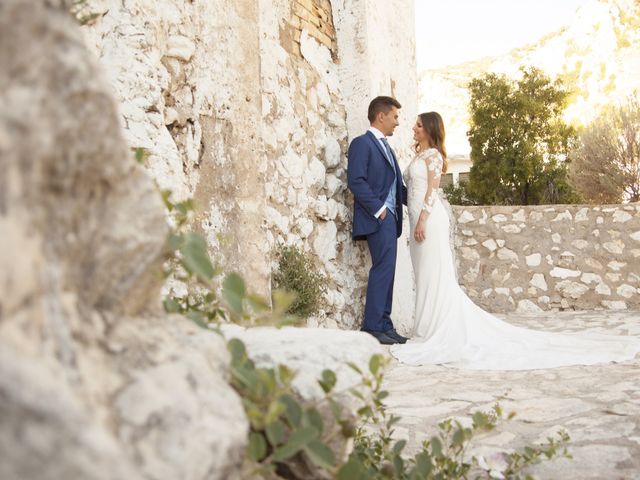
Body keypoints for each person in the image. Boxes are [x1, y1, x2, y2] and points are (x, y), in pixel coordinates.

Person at [390, 111, 640, 369]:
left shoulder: (433, 156)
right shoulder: (418, 155)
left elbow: (432, 192)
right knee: (423, 274)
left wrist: (421, 220)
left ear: (430, 129)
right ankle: (427, 327)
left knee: (434, 274)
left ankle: (438, 329)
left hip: (430, 221)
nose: (413, 128)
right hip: (418, 218)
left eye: (418, 125)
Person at [347, 96, 408, 345]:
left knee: (388, 271)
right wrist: (380, 209)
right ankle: (372, 326)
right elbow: (356, 181)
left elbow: (397, 184)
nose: (397, 123)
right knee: (382, 269)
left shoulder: (387, 147)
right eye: (395, 117)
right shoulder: (362, 143)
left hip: (391, 219)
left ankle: (385, 324)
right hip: (378, 217)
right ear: (381, 116)